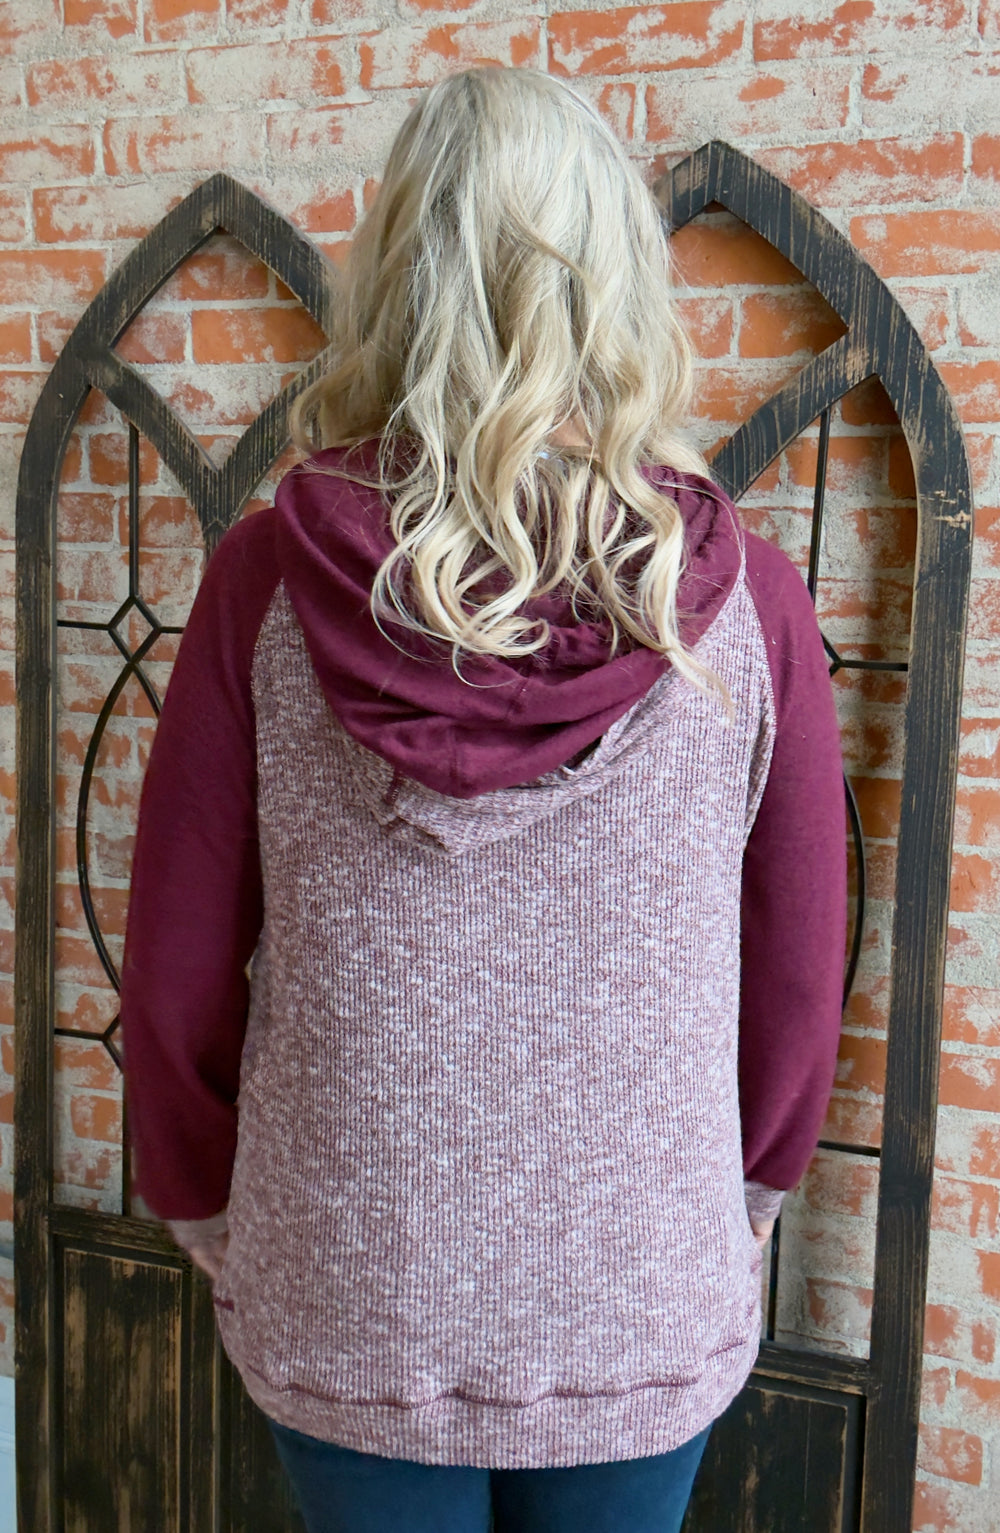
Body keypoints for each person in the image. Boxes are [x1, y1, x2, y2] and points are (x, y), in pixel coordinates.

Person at [119, 65, 847, 1533]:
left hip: (355, 1275)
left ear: (396, 281)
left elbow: (178, 956)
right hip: (638, 1284)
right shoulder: (745, 606)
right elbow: (797, 962)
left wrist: (193, 1188)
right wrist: (752, 1189)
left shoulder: (267, 587)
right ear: (620, 284)